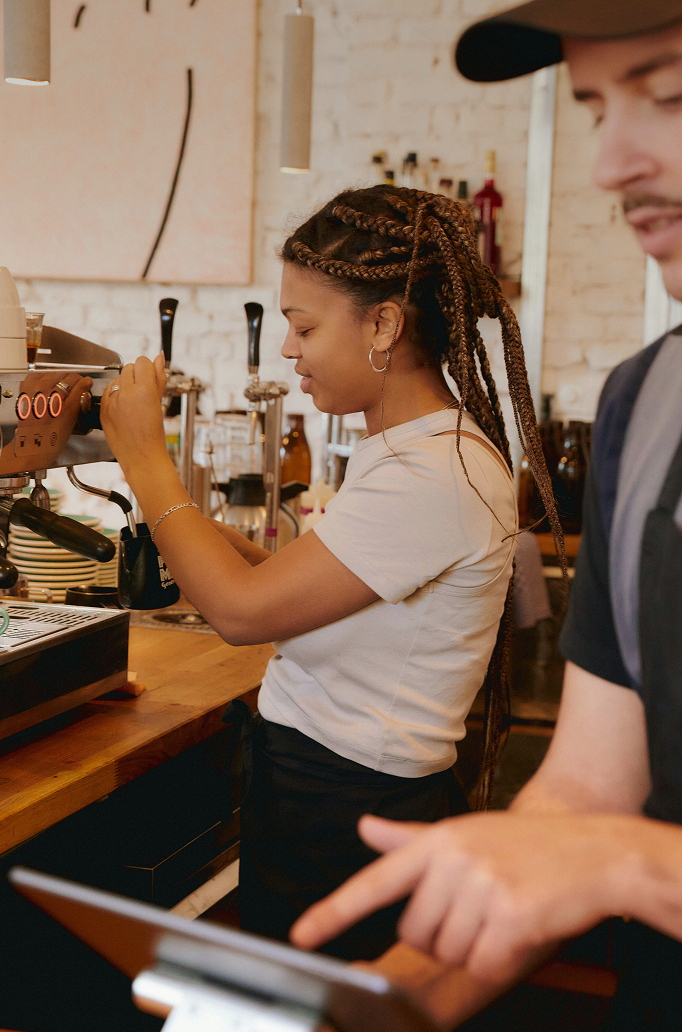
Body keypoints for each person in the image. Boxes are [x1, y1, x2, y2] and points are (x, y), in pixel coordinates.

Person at [289, 3, 682, 1030]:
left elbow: (602, 843)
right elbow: (585, 790)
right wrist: (363, 1009)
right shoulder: (654, 400)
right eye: (595, 110)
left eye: (671, 94)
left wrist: (627, 862)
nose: (611, 165)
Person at [100, 185, 563, 961]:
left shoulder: (432, 472)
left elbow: (242, 614)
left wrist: (144, 455)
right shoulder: (410, 450)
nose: (289, 349)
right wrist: (214, 544)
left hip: (349, 811)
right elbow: (323, 599)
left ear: (382, 324)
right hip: (324, 792)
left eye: (304, 326)